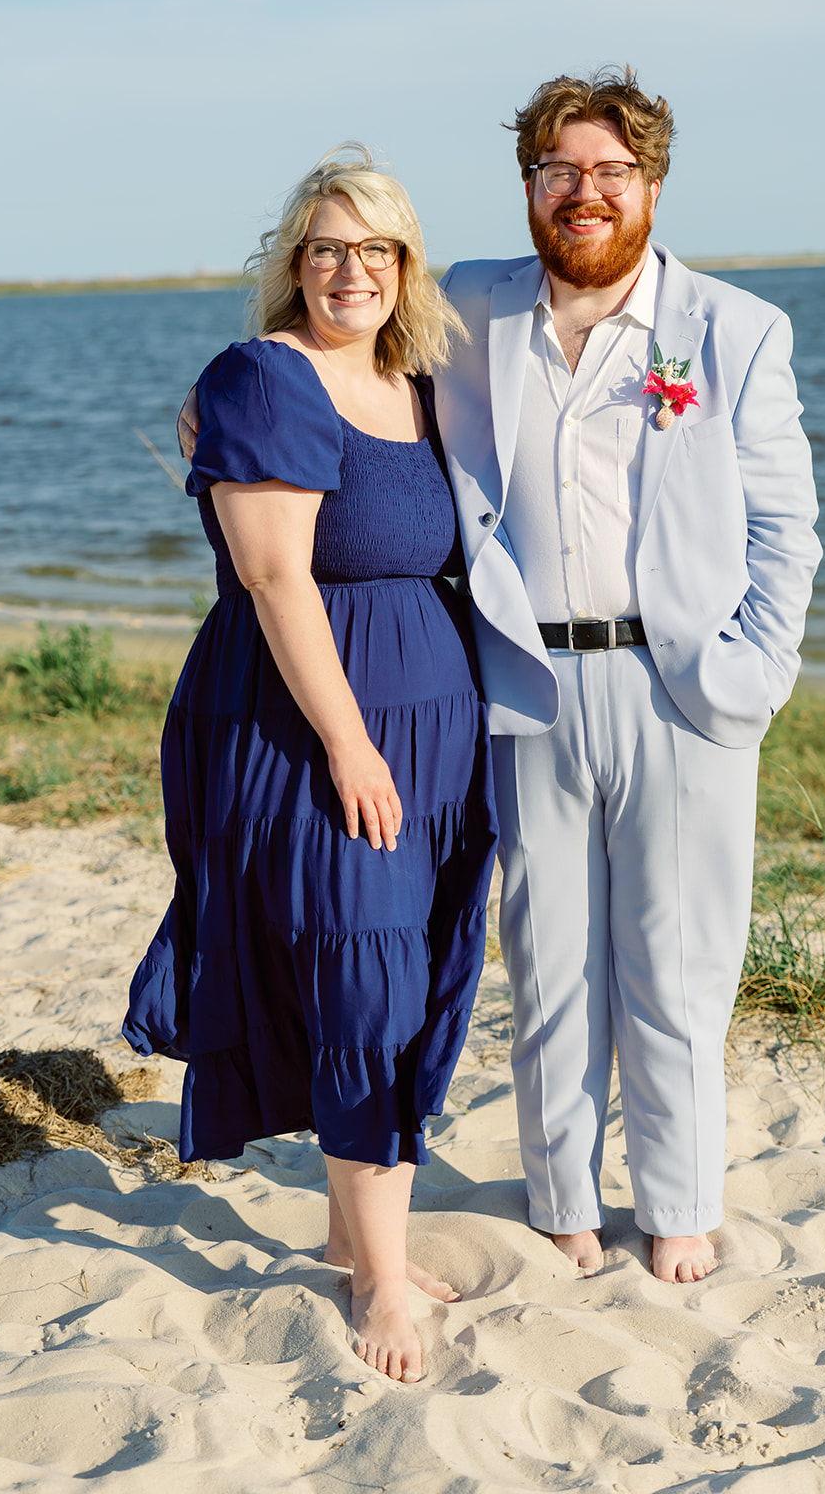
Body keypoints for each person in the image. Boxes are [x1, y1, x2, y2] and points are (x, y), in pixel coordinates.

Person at [433, 67, 821, 1283]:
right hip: (527, 687)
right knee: (549, 964)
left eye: (608, 170)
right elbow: (337, 321)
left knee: (677, 964)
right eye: (558, 170)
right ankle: (560, 1200)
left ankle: (678, 1204)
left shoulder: (734, 331)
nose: (583, 192)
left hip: (679, 690)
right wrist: (224, 401)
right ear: (529, 185)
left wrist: (753, 674)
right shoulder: (468, 307)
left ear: (650, 182)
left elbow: (786, 532)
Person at [125, 145, 497, 1383]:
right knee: (362, 980)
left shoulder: (415, 384)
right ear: (293, 262)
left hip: (430, 734)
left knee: (398, 967)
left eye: (375, 248)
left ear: (405, 265)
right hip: (317, 727)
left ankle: (351, 1234)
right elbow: (275, 573)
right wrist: (347, 742)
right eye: (326, 247)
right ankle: (381, 1279)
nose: (351, 270)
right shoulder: (263, 377)